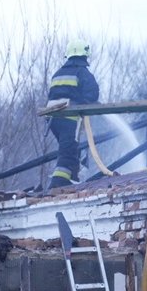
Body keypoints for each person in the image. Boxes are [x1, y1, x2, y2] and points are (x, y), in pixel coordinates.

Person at [45, 39, 100, 189]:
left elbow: (52, 95)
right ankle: (58, 182)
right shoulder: (82, 72)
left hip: (53, 119)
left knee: (69, 147)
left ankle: (72, 177)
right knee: (68, 151)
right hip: (70, 117)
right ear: (84, 56)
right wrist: (86, 104)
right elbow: (92, 94)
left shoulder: (58, 73)